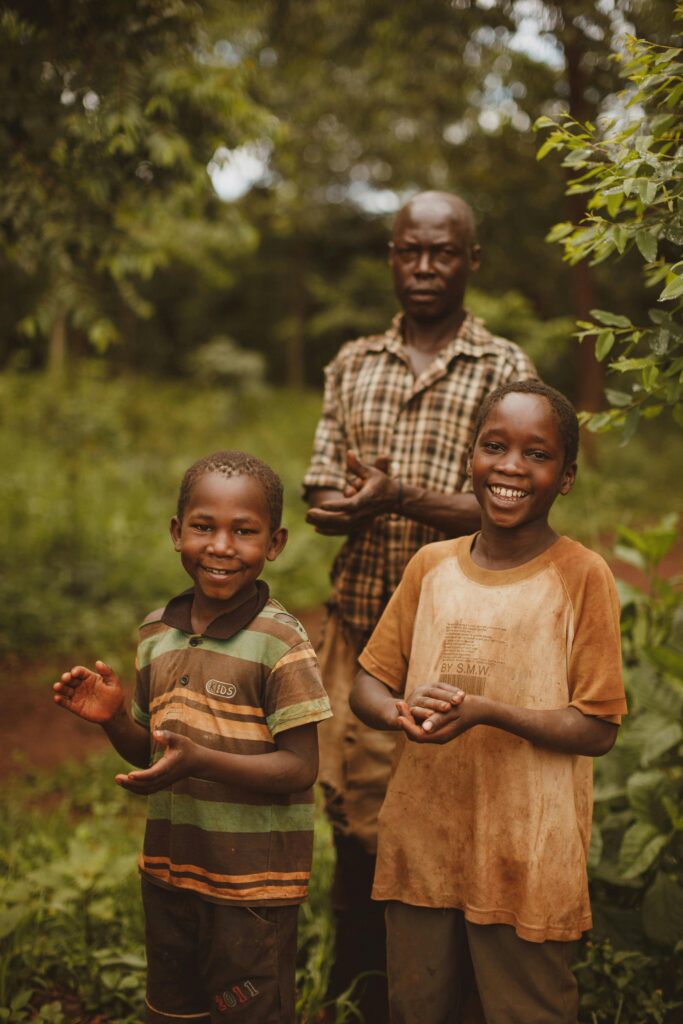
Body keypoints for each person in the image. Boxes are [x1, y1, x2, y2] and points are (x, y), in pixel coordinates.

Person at [302, 190, 536, 1018]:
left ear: (471, 261)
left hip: (472, 643)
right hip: (365, 632)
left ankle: (458, 995)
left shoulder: (505, 371)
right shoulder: (352, 363)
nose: (425, 267)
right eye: (410, 251)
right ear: (391, 257)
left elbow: (515, 506)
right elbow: (321, 491)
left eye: (443, 253)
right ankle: (362, 990)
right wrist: (340, 505)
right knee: (357, 819)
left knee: (463, 822)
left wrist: (398, 495)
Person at [350, 381, 627, 1024]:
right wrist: (399, 712)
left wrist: (487, 711)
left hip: (527, 860)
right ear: (470, 458)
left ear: (566, 478)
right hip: (421, 850)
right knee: (419, 1007)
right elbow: (367, 683)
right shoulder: (430, 565)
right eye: (494, 446)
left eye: (537, 454)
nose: (510, 467)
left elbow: (597, 726)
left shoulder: (582, 575)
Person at [53, 450, 332, 1024]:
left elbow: (299, 768)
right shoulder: (157, 634)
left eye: (244, 532)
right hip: (172, 876)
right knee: (175, 1008)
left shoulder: (281, 643)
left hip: (254, 892)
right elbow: (155, 754)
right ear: (178, 533)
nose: (221, 546)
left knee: (244, 1010)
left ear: (274, 544)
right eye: (204, 527)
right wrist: (113, 720)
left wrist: (202, 759)